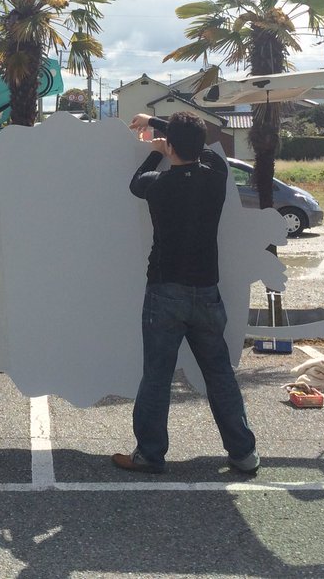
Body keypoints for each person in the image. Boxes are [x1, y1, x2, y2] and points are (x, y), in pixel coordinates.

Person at [112, 111, 260, 475]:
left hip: (165, 292)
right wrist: (164, 128)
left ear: (173, 147)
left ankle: (149, 455)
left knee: (157, 377)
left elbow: (135, 183)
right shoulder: (216, 176)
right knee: (220, 374)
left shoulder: (159, 185)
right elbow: (205, 145)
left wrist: (156, 151)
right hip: (206, 293)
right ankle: (243, 453)